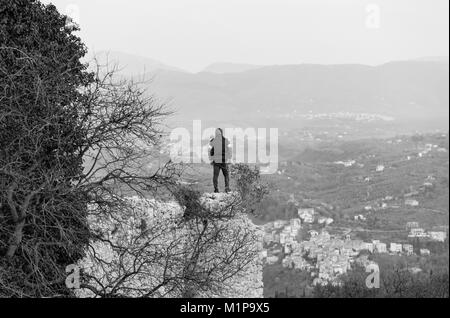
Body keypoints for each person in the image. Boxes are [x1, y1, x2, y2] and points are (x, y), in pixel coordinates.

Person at [209, 128, 232, 193]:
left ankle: (216, 189)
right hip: (224, 161)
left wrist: (211, 159)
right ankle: (227, 188)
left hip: (216, 161)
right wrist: (229, 158)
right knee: (226, 175)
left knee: (215, 176)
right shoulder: (226, 140)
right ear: (222, 133)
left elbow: (210, 151)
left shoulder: (213, 141)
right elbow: (229, 151)